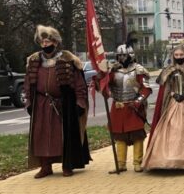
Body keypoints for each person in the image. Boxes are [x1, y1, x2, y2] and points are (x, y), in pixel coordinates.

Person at [24, 25, 91, 178]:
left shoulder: (67, 59)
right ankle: (45, 167)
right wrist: (28, 102)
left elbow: (79, 84)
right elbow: (28, 84)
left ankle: (67, 165)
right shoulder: (34, 60)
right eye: (42, 42)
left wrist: (80, 102)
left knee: (63, 136)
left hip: (63, 104)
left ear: (55, 42)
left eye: (48, 41)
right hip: (40, 104)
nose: (45, 44)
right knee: (41, 135)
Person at [98, 42, 152, 173]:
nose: (122, 58)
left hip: (134, 107)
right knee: (120, 135)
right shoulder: (113, 71)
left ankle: (137, 163)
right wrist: (100, 77)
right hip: (118, 106)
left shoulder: (138, 70)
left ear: (130, 55)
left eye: (124, 55)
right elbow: (104, 87)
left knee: (137, 135)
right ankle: (121, 163)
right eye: (119, 55)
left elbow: (146, 89)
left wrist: (138, 102)